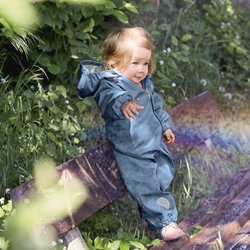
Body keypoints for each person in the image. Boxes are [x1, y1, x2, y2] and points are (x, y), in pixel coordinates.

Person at [77, 26, 186, 241]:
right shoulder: (110, 83)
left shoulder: (145, 84)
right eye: (135, 63)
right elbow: (109, 99)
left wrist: (165, 126)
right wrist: (123, 103)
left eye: (145, 63)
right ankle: (165, 223)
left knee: (162, 176)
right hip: (132, 151)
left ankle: (151, 219)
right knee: (148, 187)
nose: (142, 69)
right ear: (114, 63)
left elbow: (156, 105)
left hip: (153, 143)